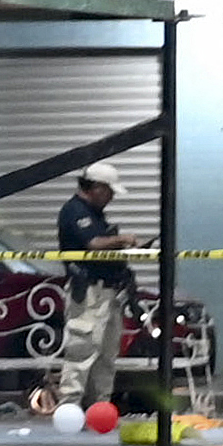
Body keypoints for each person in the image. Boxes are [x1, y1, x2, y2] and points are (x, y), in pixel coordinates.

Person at [52, 165, 133, 412]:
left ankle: (100, 407)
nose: (112, 197)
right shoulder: (74, 210)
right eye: (109, 192)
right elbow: (94, 243)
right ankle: (70, 407)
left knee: (106, 356)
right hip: (88, 292)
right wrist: (122, 240)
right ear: (97, 188)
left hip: (108, 292)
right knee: (82, 350)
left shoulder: (97, 214)